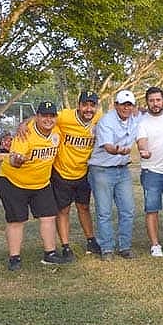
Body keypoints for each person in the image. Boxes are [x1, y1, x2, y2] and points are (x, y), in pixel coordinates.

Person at [0, 101, 67, 270]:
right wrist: (17, 160)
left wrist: (25, 120)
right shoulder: (25, 133)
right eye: (44, 116)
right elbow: (14, 161)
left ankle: (49, 254)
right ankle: (14, 258)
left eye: (52, 116)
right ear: (37, 117)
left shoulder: (57, 131)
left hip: (41, 183)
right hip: (14, 182)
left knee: (48, 217)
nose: (48, 120)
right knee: (17, 220)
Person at [49, 91, 103, 260]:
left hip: (83, 172)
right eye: (85, 104)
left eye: (92, 105)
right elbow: (44, 119)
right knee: (63, 210)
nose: (88, 109)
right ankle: (65, 246)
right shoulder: (65, 116)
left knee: (84, 207)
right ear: (78, 105)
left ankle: (90, 240)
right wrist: (24, 124)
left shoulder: (99, 118)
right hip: (62, 172)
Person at [88, 90, 141, 261]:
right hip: (102, 169)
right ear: (116, 105)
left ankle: (124, 247)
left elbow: (152, 112)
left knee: (128, 210)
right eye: (123, 104)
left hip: (122, 169)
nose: (126, 108)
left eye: (129, 105)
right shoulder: (107, 121)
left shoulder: (135, 118)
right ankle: (107, 248)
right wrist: (119, 150)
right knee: (104, 211)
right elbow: (108, 146)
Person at [136, 87, 163, 257]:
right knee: (152, 209)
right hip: (151, 172)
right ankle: (155, 245)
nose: (155, 104)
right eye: (151, 100)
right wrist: (144, 150)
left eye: (158, 100)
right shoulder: (142, 121)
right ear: (147, 102)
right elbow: (141, 141)